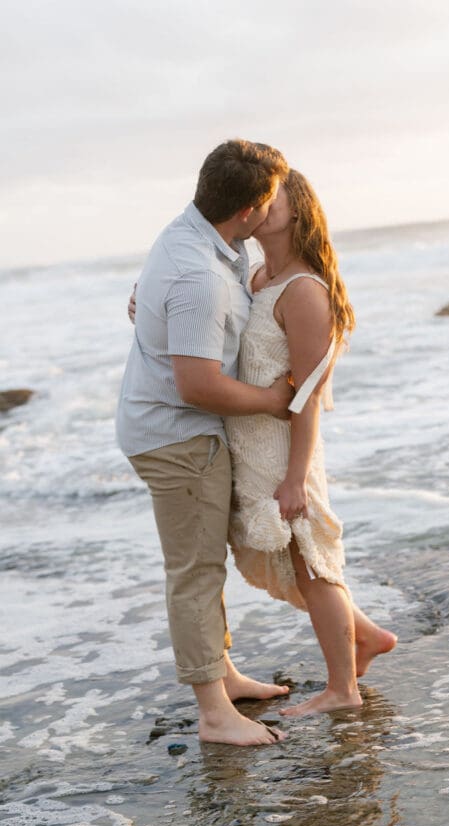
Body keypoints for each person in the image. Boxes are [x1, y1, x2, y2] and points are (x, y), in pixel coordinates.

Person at [116, 139, 293, 747]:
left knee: (204, 563)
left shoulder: (199, 235)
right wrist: (273, 401)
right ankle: (215, 714)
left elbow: (163, 312)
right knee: (195, 571)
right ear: (248, 210)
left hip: (166, 423)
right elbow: (197, 386)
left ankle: (225, 675)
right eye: (270, 200)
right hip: (177, 435)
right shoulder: (199, 274)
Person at [225, 170, 396, 718]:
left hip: (284, 452)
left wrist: (296, 476)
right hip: (249, 444)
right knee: (292, 558)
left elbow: (306, 397)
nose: (257, 206)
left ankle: (342, 688)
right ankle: (365, 636)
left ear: (297, 212)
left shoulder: (303, 292)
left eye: (269, 198)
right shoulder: (254, 277)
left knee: (313, 562)